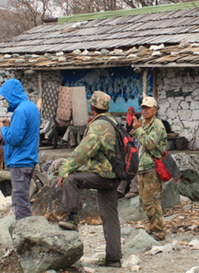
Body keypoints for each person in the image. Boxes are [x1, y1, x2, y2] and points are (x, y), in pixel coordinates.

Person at [57, 91, 122, 268]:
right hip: (116, 175)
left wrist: (65, 170)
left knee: (71, 180)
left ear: (91, 108)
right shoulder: (114, 122)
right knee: (110, 217)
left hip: (103, 175)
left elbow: (83, 151)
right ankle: (114, 258)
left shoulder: (98, 126)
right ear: (107, 107)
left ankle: (71, 217)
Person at [0, 79, 40, 221]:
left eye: (7, 97)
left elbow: (15, 138)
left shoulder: (20, 111)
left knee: (20, 202)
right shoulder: (31, 107)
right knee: (24, 197)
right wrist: (10, 124)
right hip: (29, 159)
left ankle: (25, 233)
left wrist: (2, 129)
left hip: (20, 161)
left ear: (12, 95)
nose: (7, 101)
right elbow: (25, 130)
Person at [132, 96, 167, 241]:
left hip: (152, 168)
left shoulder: (157, 125)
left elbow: (150, 144)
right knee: (144, 201)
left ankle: (158, 231)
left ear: (155, 110)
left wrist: (138, 130)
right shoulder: (145, 124)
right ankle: (153, 228)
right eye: (143, 108)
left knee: (152, 201)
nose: (144, 110)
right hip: (142, 167)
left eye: (147, 108)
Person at [117, 106, 139, 199]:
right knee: (126, 165)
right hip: (135, 151)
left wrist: (137, 130)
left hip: (144, 157)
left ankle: (134, 189)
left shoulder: (143, 129)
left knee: (135, 167)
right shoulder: (129, 120)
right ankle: (120, 190)